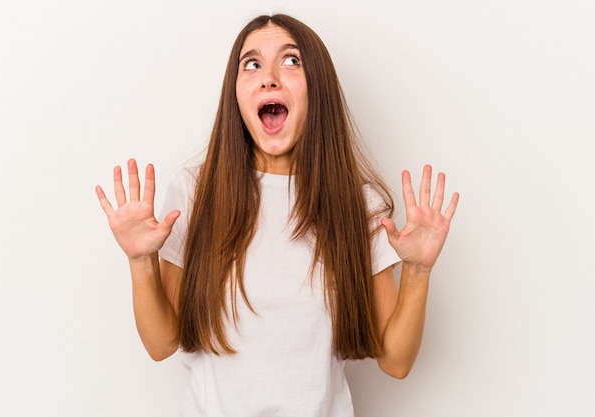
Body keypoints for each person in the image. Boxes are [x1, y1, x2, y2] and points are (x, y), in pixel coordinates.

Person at [96, 13, 458, 417]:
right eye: (251, 64)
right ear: (235, 93)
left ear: (316, 89)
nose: (268, 77)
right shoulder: (196, 192)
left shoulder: (359, 204)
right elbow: (160, 344)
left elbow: (396, 361)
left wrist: (418, 271)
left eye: (290, 61)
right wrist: (140, 260)